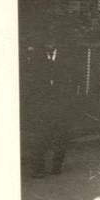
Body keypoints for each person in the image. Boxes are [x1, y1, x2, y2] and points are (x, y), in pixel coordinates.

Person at [31, 37, 78, 177]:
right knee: (40, 137)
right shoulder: (37, 59)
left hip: (62, 106)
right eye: (46, 43)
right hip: (43, 106)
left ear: (56, 43)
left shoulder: (68, 59)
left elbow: (73, 81)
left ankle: (56, 167)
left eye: (51, 42)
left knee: (60, 137)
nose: (48, 45)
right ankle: (39, 169)